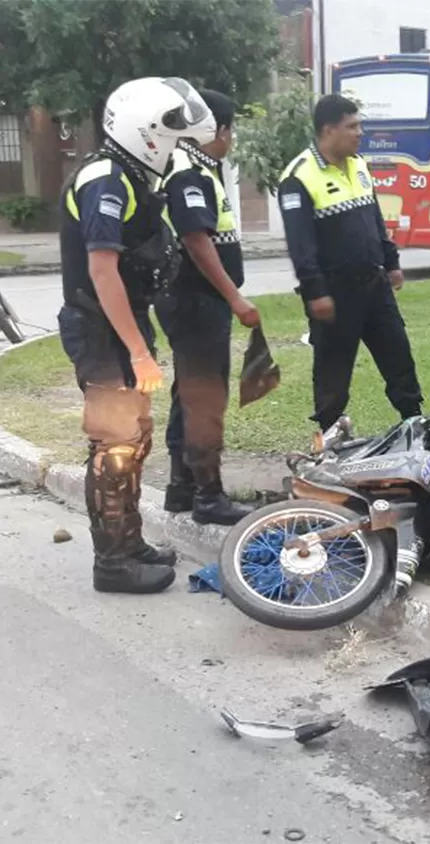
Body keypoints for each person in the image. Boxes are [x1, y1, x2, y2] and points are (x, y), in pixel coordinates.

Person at [56, 77, 215, 594]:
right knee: (114, 446)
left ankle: (129, 542)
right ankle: (113, 564)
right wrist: (140, 352)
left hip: (120, 327)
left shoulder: (130, 175)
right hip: (102, 332)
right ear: (146, 133)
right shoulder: (107, 180)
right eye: (172, 137)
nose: (178, 147)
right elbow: (102, 272)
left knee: (135, 439)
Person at [278, 93, 423, 431]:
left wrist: (391, 262)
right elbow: (301, 245)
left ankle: (414, 422)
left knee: (398, 354)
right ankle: (329, 434)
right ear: (329, 130)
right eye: (352, 126)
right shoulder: (298, 177)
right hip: (335, 292)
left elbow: (374, 217)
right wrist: (316, 292)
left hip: (374, 283)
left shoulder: (358, 164)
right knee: (333, 368)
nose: (360, 132)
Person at [155, 89, 259, 527]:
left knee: (190, 390)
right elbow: (197, 239)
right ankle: (208, 495)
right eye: (230, 131)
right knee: (204, 397)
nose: (231, 140)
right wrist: (234, 297)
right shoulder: (189, 170)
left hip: (192, 300)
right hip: (196, 301)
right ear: (219, 129)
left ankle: (182, 486)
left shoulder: (192, 168)